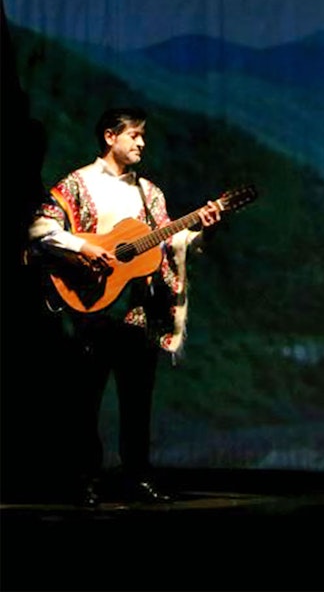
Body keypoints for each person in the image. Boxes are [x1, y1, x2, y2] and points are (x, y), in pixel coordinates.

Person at [25, 107, 223, 507]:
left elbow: (169, 243)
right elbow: (40, 230)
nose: (141, 143)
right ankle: (83, 480)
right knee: (84, 400)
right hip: (91, 308)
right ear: (110, 137)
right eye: (134, 135)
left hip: (136, 312)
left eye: (142, 137)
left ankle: (137, 477)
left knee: (138, 399)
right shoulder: (77, 184)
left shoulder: (150, 195)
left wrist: (198, 227)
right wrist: (85, 246)